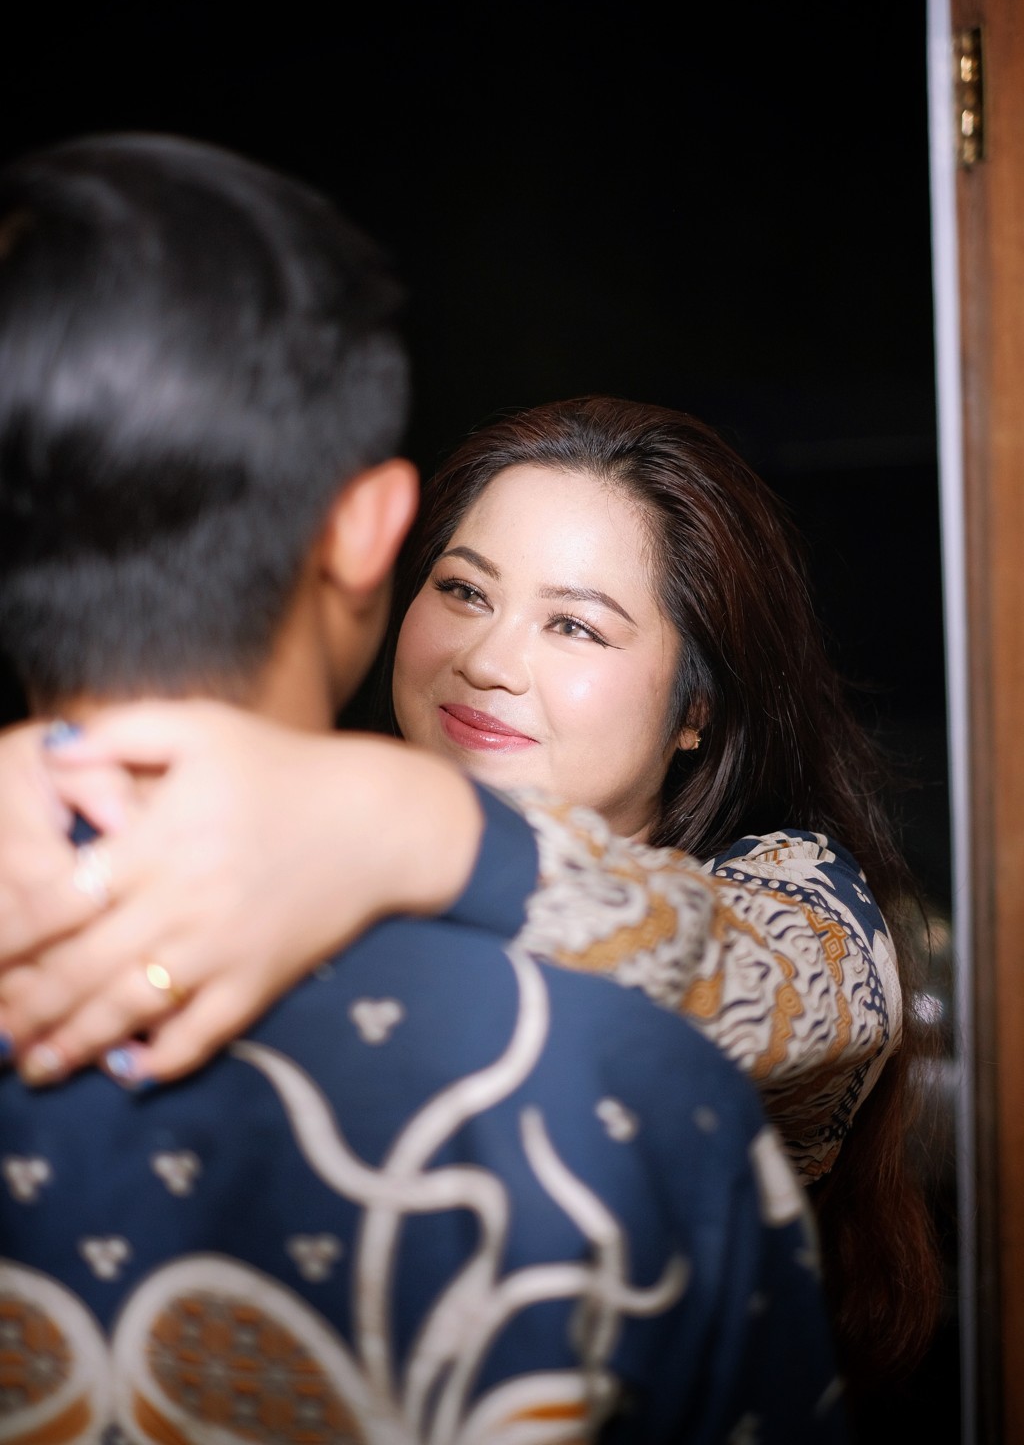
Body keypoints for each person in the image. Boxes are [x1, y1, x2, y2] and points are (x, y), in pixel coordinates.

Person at [0, 131, 850, 1442]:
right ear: (378, 551)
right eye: (462, 589)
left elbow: (788, 984)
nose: (489, 660)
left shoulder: (783, 917)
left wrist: (416, 822)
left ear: (699, 709)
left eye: (577, 626)